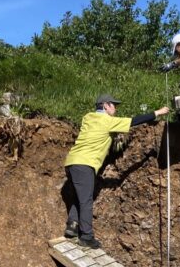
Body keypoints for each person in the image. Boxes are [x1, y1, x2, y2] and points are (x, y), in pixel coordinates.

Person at [64, 95, 170, 249]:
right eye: (113, 105)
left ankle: (72, 226)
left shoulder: (88, 118)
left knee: (78, 196)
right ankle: (86, 237)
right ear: (105, 106)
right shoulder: (108, 121)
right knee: (86, 200)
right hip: (85, 164)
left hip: (71, 162)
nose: (116, 108)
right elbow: (134, 121)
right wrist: (158, 112)